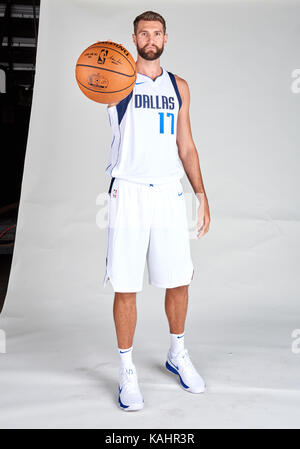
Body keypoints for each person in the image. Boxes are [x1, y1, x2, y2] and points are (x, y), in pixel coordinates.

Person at [102, 11, 210, 411]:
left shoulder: (179, 87)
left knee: (178, 279)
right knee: (126, 284)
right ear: (133, 38)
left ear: (166, 38)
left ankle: (177, 354)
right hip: (128, 190)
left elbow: (186, 145)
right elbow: (91, 80)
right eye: (143, 32)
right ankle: (127, 370)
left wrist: (201, 194)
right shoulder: (116, 80)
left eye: (157, 32)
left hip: (169, 191)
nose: (150, 38)